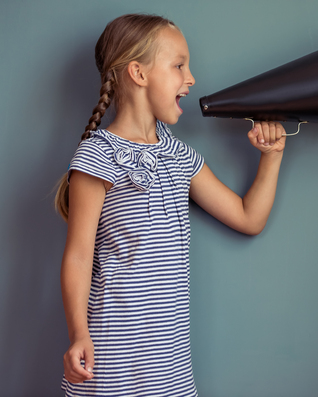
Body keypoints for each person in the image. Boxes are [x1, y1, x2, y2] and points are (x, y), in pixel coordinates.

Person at [55, 13, 286, 397]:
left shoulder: (180, 156)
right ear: (138, 74)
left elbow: (249, 217)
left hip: (170, 367)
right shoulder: (98, 155)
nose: (191, 78)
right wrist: (79, 333)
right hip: (110, 360)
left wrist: (272, 155)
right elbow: (79, 256)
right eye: (179, 65)